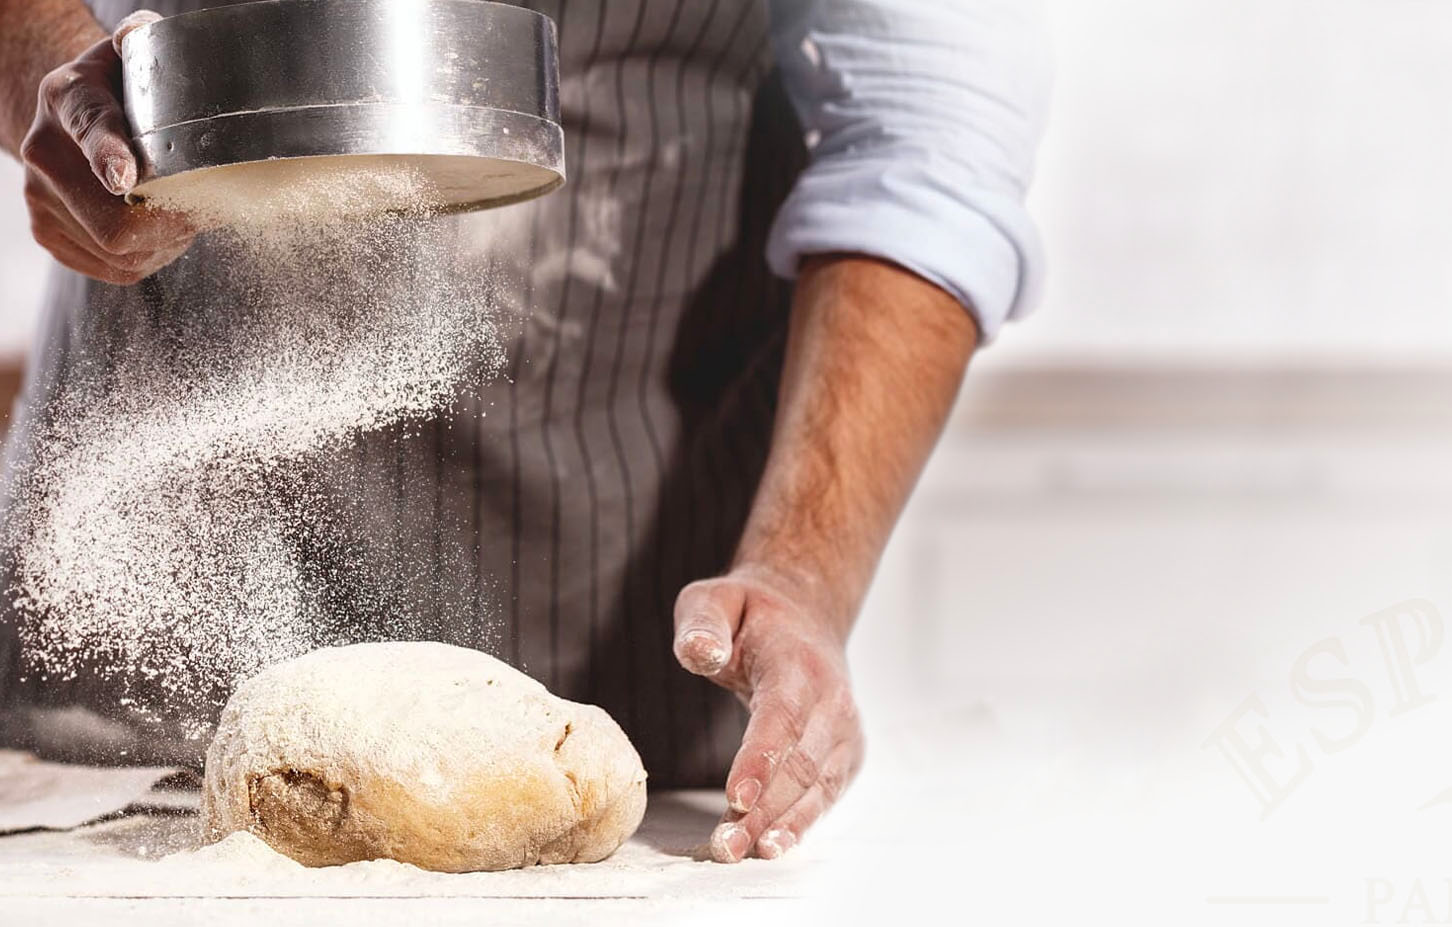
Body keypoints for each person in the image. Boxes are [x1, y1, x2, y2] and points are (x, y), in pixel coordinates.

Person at [0, 0, 1048, 863]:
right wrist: (52, 72)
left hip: (617, 589)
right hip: (142, 587)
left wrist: (803, 574)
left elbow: (926, 150)